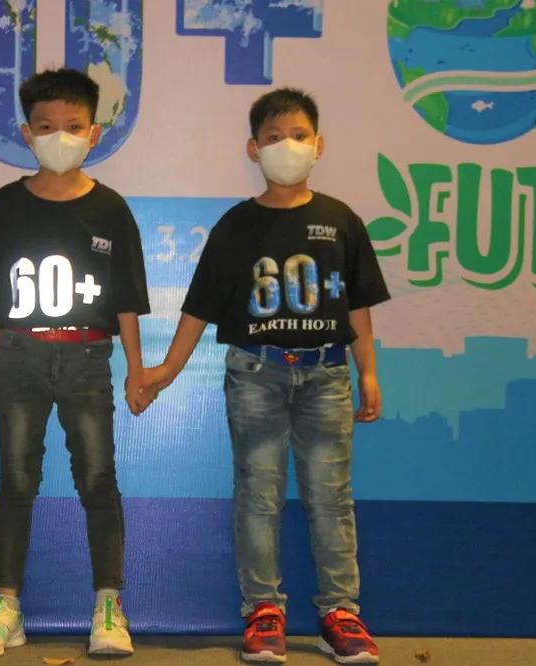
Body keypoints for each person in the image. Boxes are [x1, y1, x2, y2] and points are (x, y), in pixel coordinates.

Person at [141, 88, 390, 664]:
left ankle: (340, 612)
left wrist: (369, 371)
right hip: (255, 374)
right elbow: (200, 306)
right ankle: (263, 610)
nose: (287, 147)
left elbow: (358, 305)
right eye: (274, 138)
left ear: (319, 145)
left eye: (299, 136)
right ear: (253, 149)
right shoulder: (237, 225)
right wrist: (167, 370)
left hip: (327, 376)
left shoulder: (341, 221)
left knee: (331, 497)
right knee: (258, 495)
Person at [0, 67, 151, 658]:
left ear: (93, 133)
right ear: (27, 133)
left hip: (88, 358)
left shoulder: (111, 209)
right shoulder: (6, 204)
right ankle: (6, 609)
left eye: (73, 125)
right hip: (20, 355)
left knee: (98, 478)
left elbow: (126, 300)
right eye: (46, 126)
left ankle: (108, 606)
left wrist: (137, 369)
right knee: (16, 480)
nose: (59, 136)